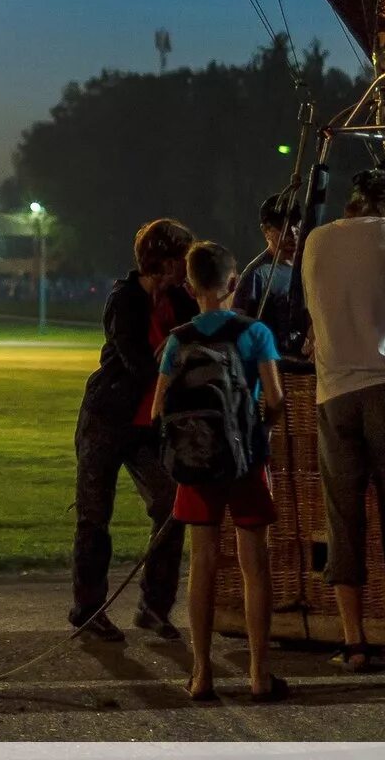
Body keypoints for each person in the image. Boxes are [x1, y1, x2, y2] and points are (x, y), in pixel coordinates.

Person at [299, 169, 385, 671]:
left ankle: (354, 640)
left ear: (350, 206)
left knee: (344, 516)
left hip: (333, 393)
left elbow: (316, 317)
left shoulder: (315, 241)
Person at [153, 241, 287, 703]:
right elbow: (274, 401)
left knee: (203, 564)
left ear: (190, 288)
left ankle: (201, 673)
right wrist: (258, 432)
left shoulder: (178, 339)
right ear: (233, 283)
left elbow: (159, 408)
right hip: (245, 459)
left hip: (196, 463)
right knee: (255, 567)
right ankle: (258, 674)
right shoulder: (255, 333)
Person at [69, 217, 198, 643]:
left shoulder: (182, 300)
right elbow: (137, 361)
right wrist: (174, 357)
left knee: (170, 505)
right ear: (162, 260)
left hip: (149, 426)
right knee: (94, 515)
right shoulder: (123, 298)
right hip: (107, 419)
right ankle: (89, 609)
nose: (188, 266)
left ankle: (153, 606)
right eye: (182, 257)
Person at [233, 193, 301, 350]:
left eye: (295, 225)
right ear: (266, 230)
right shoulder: (258, 274)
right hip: (276, 362)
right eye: (282, 227)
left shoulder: (307, 265)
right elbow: (240, 327)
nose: (292, 233)